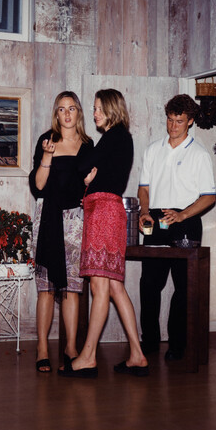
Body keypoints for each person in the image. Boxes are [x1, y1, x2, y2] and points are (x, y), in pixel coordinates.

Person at [60, 88, 149, 378]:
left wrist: (89, 172)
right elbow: (88, 170)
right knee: (113, 287)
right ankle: (137, 354)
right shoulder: (119, 139)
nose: (94, 113)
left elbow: (82, 166)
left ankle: (87, 357)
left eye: (98, 108)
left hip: (103, 212)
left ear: (111, 109)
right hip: (109, 212)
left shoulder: (114, 137)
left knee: (99, 287)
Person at [137, 94, 216, 361]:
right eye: (170, 120)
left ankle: (177, 345)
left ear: (190, 121)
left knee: (184, 288)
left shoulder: (199, 154)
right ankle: (148, 343)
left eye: (179, 121)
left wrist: (182, 216)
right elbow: (144, 188)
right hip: (157, 221)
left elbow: (209, 197)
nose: (173, 126)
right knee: (149, 285)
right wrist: (145, 212)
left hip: (185, 222)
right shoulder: (152, 150)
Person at [29, 92, 94, 373]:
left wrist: (91, 182)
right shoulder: (47, 140)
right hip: (49, 220)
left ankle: (70, 347)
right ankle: (43, 347)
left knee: (72, 289)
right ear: (56, 114)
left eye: (72, 109)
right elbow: (37, 187)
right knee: (46, 288)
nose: (67, 114)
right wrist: (46, 155)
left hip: (76, 221)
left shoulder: (89, 145)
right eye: (61, 109)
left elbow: (94, 188)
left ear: (79, 113)